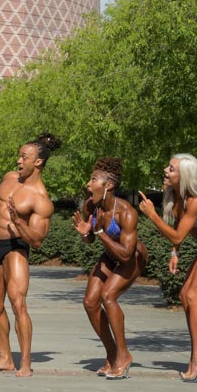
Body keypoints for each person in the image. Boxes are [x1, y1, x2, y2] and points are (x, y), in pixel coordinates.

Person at [0, 133, 61, 377]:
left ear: (38, 162)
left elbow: (37, 240)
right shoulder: (9, 178)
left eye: (24, 157)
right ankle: (5, 358)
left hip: (15, 248)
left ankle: (25, 363)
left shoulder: (40, 198)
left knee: (18, 305)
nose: (18, 160)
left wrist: (19, 222)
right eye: (19, 156)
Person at [138, 153, 197, 383]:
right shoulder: (176, 196)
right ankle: (195, 358)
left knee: (193, 295)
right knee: (184, 295)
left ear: (184, 175)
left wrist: (152, 215)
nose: (166, 170)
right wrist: (175, 253)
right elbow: (178, 231)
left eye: (171, 169)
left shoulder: (195, 200)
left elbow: (178, 235)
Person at [72, 158, 148, 380]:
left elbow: (126, 255)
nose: (88, 184)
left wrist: (99, 233)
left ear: (109, 185)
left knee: (108, 296)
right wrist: (86, 233)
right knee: (90, 302)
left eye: (94, 180)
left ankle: (124, 355)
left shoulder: (126, 212)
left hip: (133, 257)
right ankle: (112, 353)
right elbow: (91, 239)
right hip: (110, 255)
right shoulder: (92, 207)